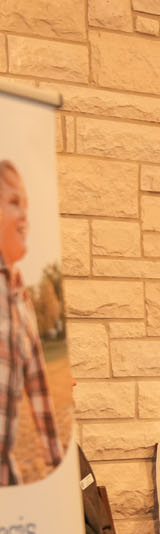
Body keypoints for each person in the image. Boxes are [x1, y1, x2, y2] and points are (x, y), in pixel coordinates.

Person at [0, 160, 63, 485]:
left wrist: (58, 470)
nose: (25, 216)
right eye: (13, 203)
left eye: (26, 205)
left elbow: (39, 387)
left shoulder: (21, 296)